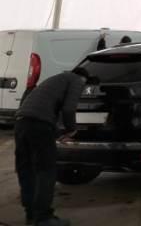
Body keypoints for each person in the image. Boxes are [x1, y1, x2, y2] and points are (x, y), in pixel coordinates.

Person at [15, 67, 96, 226]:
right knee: (46, 171)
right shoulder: (76, 80)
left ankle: (31, 215)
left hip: (21, 123)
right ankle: (43, 218)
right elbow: (69, 109)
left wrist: (57, 134)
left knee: (27, 170)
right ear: (83, 78)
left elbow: (42, 109)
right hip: (40, 125)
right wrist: (72, 129)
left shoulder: (55, 80)